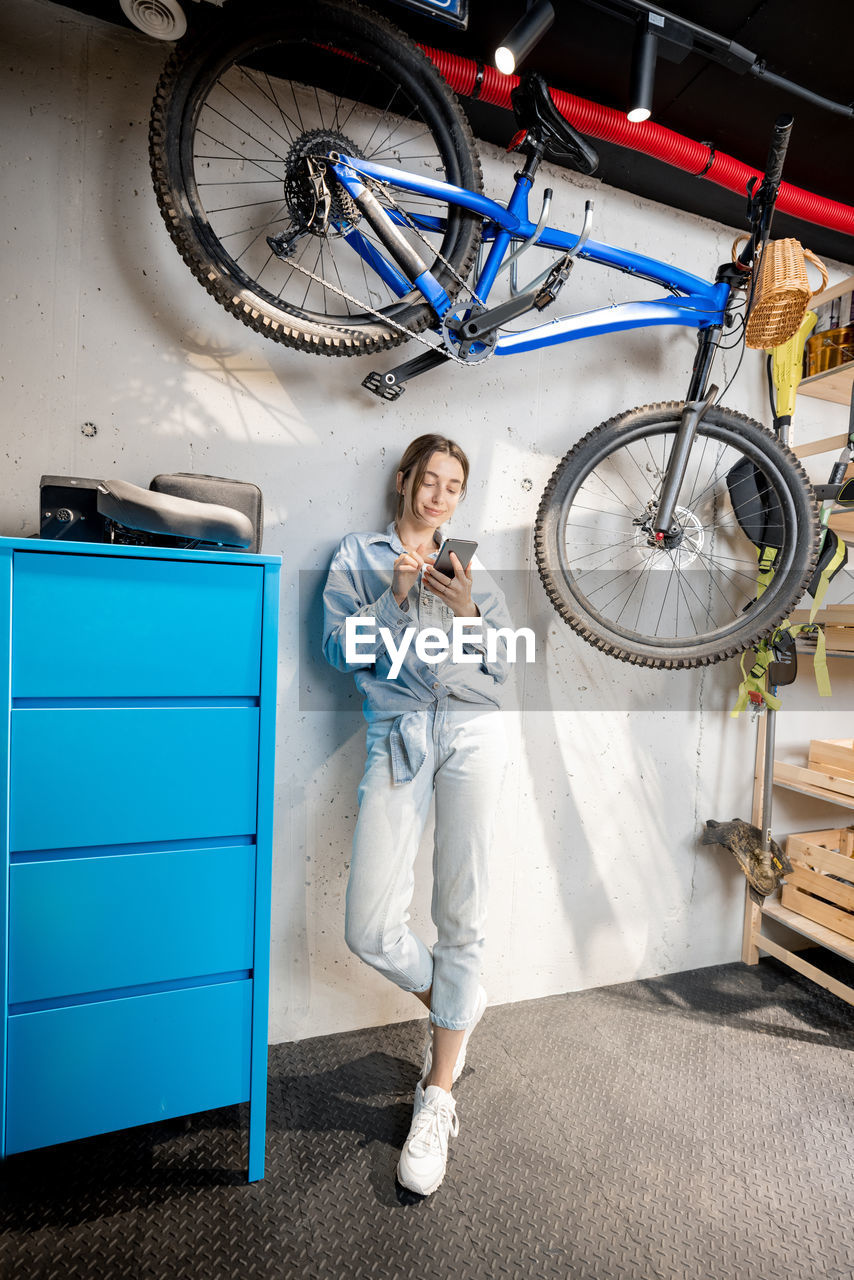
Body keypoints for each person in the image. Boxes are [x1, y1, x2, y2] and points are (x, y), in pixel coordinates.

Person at [322, 433, 512, 1196]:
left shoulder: (471, 568)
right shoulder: (356, 556)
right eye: (428, 480)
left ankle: (438, 1094)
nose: (437, 496)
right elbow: (337, 652)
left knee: (461, 912)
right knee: (369, 925)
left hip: (472, 731)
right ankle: (452, 1001)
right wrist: (394, 599)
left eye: (452, 486)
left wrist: (466, 610)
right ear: (403, 481)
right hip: (396, 736)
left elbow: (502, 663)